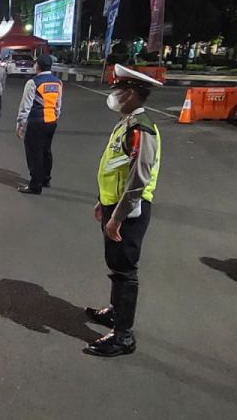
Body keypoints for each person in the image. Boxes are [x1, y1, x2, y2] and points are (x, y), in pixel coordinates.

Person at [83, 64, 164, 357]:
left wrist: (116, 218)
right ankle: (116, 313)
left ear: (130, 93)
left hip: (129, 212)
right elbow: (115, 168)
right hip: (114, 206)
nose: (114, 94)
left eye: (118, 90)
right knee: (116, 266)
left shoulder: (142, 129)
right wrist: (101, 201)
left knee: (125, 270)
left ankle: (123, 336)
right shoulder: (127, 122)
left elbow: (138, 180)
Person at [15, 54, 62, 194]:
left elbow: (26, 106)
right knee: (46, 151)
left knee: (35, 153)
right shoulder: (57, 82)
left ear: (38, 66)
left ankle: (35, 185)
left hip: (36, 122)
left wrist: (21, 123)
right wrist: (55, 117)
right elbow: (58, 105)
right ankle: (45, 179)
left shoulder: (34, 82)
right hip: (51, 121)